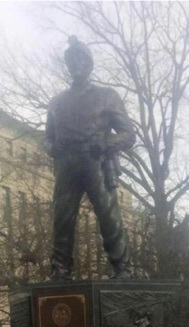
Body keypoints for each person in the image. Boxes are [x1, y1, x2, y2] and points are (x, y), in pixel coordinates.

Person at [44, 36, 136, 281]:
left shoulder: (107, 96)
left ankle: (122, 268)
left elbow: (128, 134)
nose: (76, 65)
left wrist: (106, 144)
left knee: (108, 215)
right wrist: (53, 148)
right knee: (62, 219)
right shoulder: (56, 103)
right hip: (66, 164)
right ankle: (60, 270)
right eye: (71, 61)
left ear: (89, 64)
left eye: (80, 59)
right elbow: (47, 138)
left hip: (95, 161)